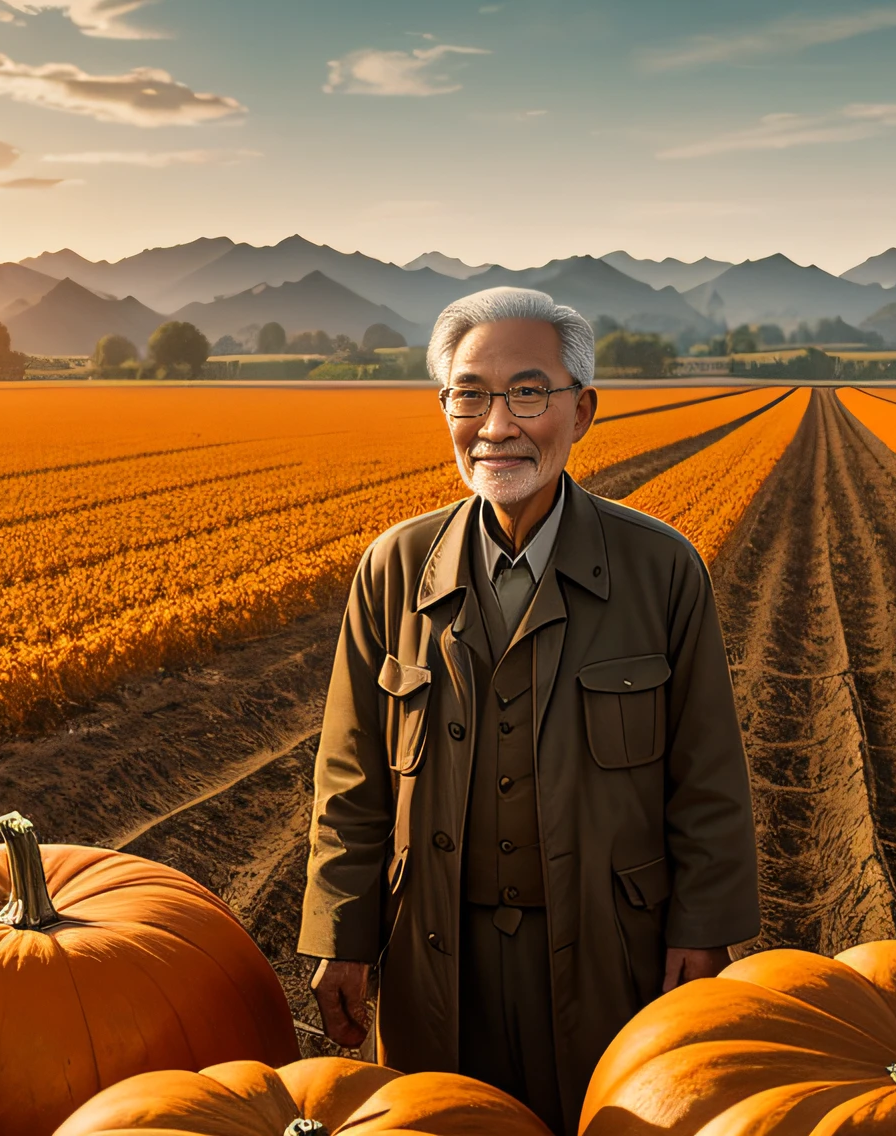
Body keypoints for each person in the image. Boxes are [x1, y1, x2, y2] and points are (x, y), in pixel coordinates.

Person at [297, 286, 760, 1134]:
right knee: (436, 1121)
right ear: (445, 409)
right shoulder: (393, 570)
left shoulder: (661, 572)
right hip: (435, 944)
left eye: (528, 392)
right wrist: (341, 929)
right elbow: (351, 775)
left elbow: (708, 776)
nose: (497, 424)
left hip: (608, 946)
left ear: (581, 411)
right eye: (470, 395)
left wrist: (705, 928)